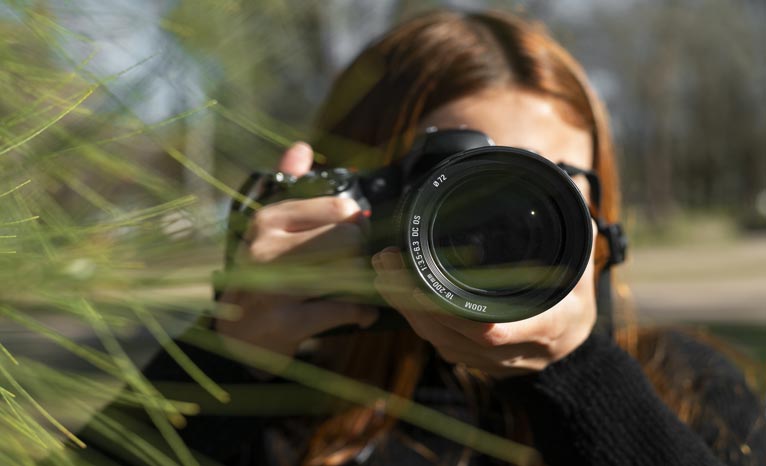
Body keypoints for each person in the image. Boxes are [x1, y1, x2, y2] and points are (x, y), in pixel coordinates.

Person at [78, 9, 765, 466]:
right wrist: (222, 365)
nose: (499, 214)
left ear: (600, 205)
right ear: (362, 194)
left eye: (546, 178)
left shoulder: (685, 385)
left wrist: (583, 378)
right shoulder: (284, 401)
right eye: (459, 178)